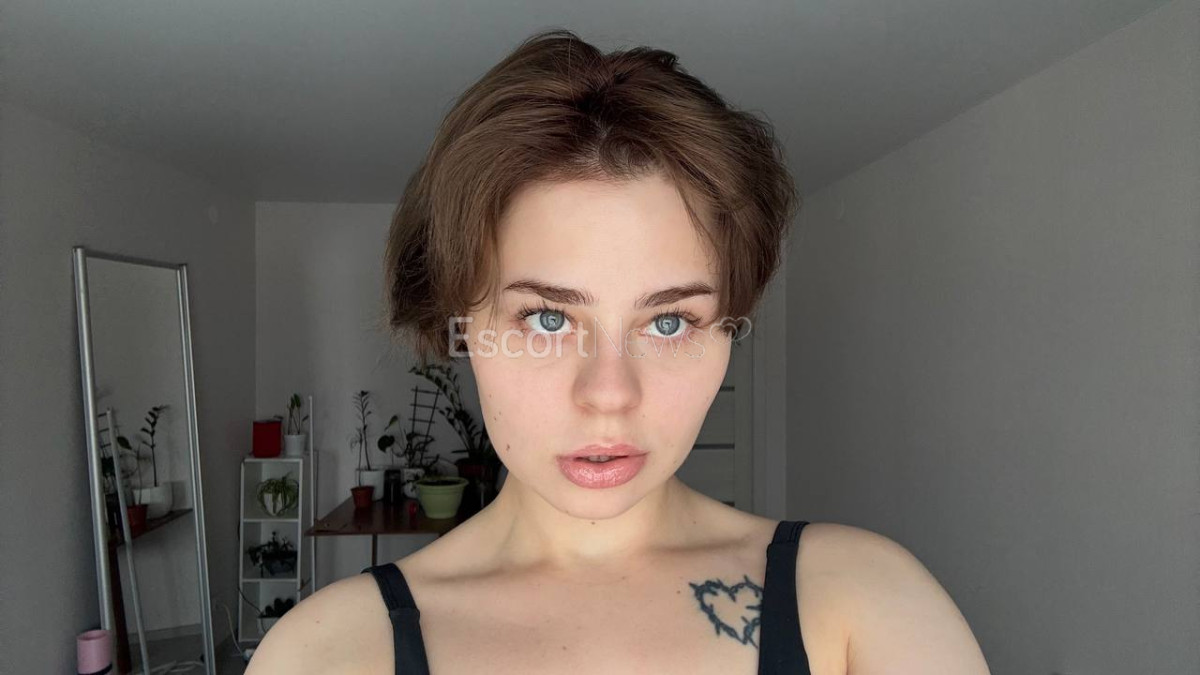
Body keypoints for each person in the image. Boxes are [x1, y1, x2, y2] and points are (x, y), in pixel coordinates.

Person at [248, 28, 990, 674]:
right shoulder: (330, 650)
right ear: (459, 322)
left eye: (668, 322)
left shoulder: (859, 599)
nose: (609, 394)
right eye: (546, 318)